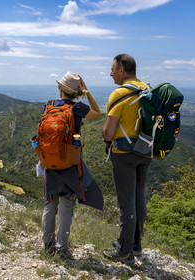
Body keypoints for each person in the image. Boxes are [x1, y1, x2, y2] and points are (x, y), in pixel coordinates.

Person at [41, 72, 102, 259]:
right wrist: (87, 91)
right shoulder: (78, 108)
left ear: (60, 89)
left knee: (50, 205)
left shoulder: (48, 106)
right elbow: (97, 112)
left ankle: (48, 246)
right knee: (67, 205)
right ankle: (62, 248)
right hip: (70, 163)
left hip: (49, 162)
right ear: (76, 93)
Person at [102, 54, 152, 264]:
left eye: (113, 69)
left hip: (124, 154)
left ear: (122, 70)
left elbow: (108, 133)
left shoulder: (119, 94)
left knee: (126, 203)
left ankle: (124, 251)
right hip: (145, 150)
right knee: (139, 197)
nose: (111, 73)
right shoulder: (147, 90)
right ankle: (136, 245)